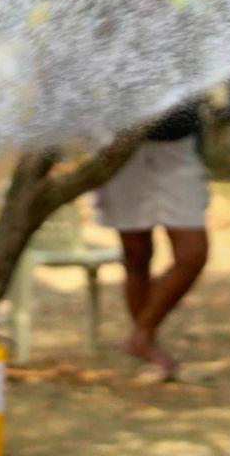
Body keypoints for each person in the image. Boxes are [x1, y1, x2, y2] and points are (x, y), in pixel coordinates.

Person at [90, 97, 210, 381]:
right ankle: (146, 344)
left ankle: (141, 333)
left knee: (192, 254)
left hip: (177, 142)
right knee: (136, 254)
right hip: (120, 142)